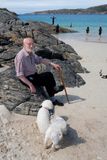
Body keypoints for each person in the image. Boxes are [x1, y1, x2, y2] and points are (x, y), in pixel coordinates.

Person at [14, 37, 64, 106]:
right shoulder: (20, 57)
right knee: (47, 79)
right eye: (29, 44)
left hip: (34, 75)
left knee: (48, 75)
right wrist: (30, 85)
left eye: (32, 44)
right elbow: (20, 75)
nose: (31, 46)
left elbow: (40, 60)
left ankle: (53, 97)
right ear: (23, 45)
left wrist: (53, 64)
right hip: (27, 78)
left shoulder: (31, 53)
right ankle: (53, 92)